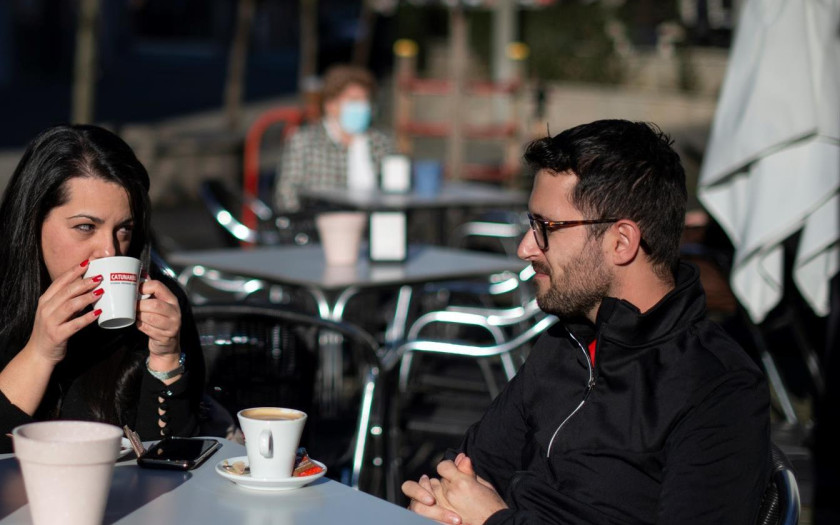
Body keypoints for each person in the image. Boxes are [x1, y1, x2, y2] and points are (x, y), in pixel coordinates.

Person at [402, 120, 771, 524]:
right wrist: (438, 501)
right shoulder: (564, 344)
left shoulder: (717, 387)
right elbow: (468, 468)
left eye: (546, 227)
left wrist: (495, 520)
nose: (526, 248)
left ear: (621, 242)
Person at [0, 125, 205, 452]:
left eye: (123, 229)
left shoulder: (157, 303)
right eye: (85, 227)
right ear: (33, 220)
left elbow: (173, 461)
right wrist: (39, 354)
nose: (109, 251)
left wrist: (166, 359)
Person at [273, 64, 395, 213]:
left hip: (371, 220)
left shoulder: (379, 142)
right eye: (354, 100)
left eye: (366, 100)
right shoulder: (304, 141)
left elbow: (392, 190)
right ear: (330, 104)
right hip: (319, 221)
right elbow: (286, 193)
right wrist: (307, 220)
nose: (362, 106)